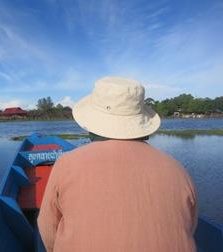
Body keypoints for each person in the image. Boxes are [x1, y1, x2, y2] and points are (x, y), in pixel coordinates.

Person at [38, 76, 197, 252]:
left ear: (93, 124)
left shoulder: (66, 164)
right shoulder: (177, 169)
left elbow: (47, 228)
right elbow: (189, 226)